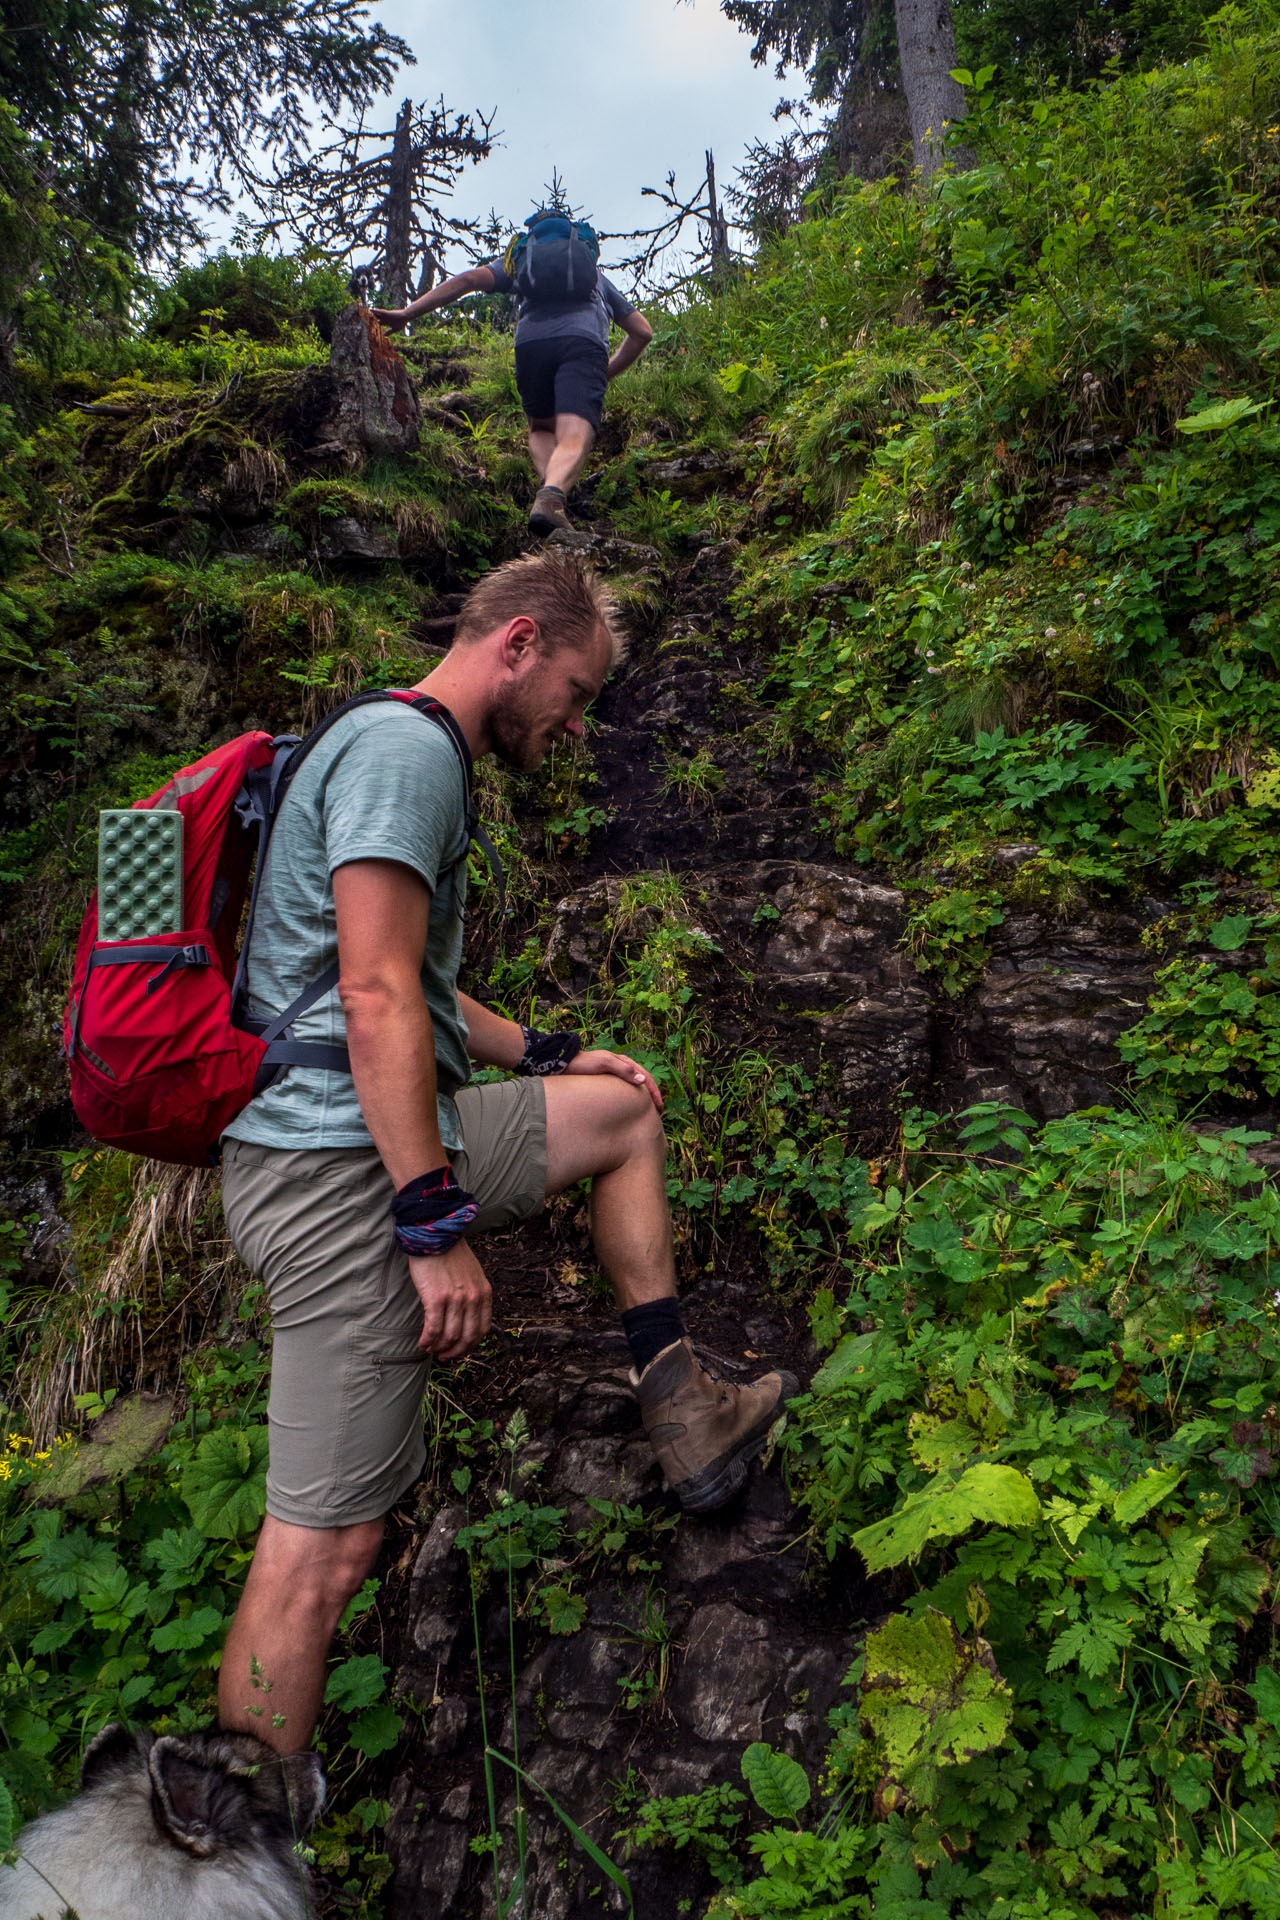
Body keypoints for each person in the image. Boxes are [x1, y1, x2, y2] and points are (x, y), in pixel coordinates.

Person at [216, 550, 795, 1755]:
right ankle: (233, 1847)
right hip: (338, 1169)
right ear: (519, 643)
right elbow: (371, 1001)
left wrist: (551, 1050)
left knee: (621, 1113)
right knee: (321, 1550)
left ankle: (681, 1407)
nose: (573, 724)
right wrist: (431, 1225)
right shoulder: (404, 754)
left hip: (359, 1137)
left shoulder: (401, 748)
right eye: (574, 692)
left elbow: (413, 986)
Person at [374, 213, 653, 536]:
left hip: (531, 343)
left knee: (541, 428)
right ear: (580, 247)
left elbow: (467, 281)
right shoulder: (595, 278)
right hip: (583, 342)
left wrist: (407, 313)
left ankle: (552, 494)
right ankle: (552, 496)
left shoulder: (519, 262)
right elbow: (642, 332)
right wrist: (604, 372)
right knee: (575, 432)